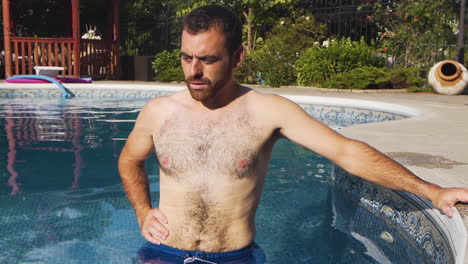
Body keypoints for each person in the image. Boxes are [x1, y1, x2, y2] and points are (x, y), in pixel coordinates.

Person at [118, 5, 468, 264]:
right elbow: (129, 160)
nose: (194, 71)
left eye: (208, 59)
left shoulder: (267, 111)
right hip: (162, 253)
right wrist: (143, 213)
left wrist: (430, 190)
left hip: (234, 257)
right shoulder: (159, 112)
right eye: (186, 57)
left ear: (237, 56)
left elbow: (346, 152)